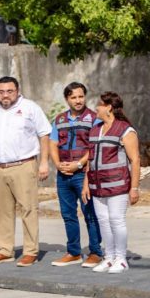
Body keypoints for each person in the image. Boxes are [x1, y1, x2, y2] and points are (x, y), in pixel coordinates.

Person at [0, 76, 52, 267]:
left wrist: (44, 162)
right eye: (1, 92)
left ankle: (30, 251)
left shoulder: (30, 108)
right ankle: (4, 250)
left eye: (9, 91)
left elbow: (44, 135)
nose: (5, 95)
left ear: (17, 91)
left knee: (28, 208)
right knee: (2, 211)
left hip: (23, 166)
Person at [82, 92, 140, 274]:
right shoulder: (95, 130)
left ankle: (121, 259)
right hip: (97, 187)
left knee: (116, 221)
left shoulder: (125, 130)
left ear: (108, 107)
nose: (95, 108)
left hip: (118, 186)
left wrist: (134, 188)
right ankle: (109, 258)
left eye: (99, 105)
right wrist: (86, 184)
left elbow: (135, 160)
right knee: (103, 222)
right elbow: (90, 160)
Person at [49, 82, 103, 268]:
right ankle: (73, 252)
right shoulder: (59, 120)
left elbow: (94, 146)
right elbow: (52, 144)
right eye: (74, 97)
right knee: (68, 214)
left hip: (83, 174)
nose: (78, 100)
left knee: (90, 213)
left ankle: (96, 252)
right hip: (63, 175)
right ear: (67, 99)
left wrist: (78, 164)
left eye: (81, 96)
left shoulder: (94, 119)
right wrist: (58, 165)